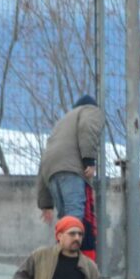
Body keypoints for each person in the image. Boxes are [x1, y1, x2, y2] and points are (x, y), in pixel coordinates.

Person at [35, 94, 103, 225]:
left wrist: (45, 203)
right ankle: (73, 238)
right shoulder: (90, 110)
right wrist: (89, 160)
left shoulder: (60, 124)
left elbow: (44, 160)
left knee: (65, 219)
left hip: (51, 173)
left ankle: (66, 238)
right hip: (70, 171)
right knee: (75, 216)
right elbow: (87, 127)